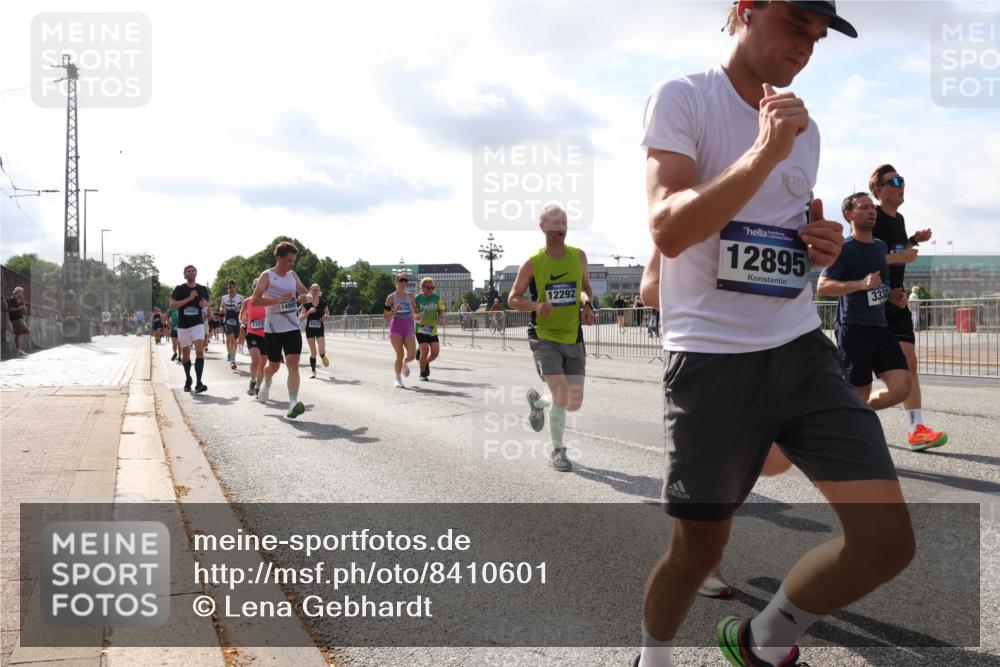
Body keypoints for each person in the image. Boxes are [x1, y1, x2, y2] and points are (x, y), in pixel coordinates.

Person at [639, 4, 914, 667]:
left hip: (799, 350)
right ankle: (652, 656)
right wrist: (764, 150)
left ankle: (762, 641)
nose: (807, 46)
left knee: (887, 541)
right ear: (744, 9)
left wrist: (816, 245)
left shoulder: (804, 128)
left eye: (818, 36)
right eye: (796, 23)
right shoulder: (684, 98)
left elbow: (780, 233)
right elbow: (669, 228)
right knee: (696, 552)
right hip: (710, 360)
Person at [509, 204, 596, 473]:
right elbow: (513, 299)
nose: (562, 228)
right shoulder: (533, 264)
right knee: (561, 394)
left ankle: (537, 402)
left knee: (573, 401)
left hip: (573, 336)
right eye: (556, 223)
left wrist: (587, 305)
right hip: (544, 337)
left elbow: (586, 289)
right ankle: (557, 451)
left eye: (565, 223)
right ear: (543, 228)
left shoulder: (578, 256)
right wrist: (536, 306)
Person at [870, 164, 947, 450]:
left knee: (909, 363)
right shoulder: (872, 216)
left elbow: (894, 247)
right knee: (861, 378)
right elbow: (863, 255)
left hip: (897, 303)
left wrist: (914, 239)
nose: (902, 185)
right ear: (878, 189)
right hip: (871, 306)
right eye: (895, 181)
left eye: (903, 181)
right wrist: (901, 255)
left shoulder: (898, 218)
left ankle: (916, 429)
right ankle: (846, 416)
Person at [817, 193, 912, 413]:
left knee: (901, 387)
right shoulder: (844, 248)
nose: (872, 211)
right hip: (854, 328)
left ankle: (855, 416)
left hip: (881, 327)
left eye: (873, 207)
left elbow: (881, 284)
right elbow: (823, 286)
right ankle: (854, 421)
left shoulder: (880, 247)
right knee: (861, 390)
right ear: (848, 215)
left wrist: (892, 296)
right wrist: (860, 284)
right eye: (864, 207)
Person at [252, 241, 311, 418]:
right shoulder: (267, 276)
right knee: (274, 366)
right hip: (273, 329)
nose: (291, 264)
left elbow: (306, 295)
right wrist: (277, 300)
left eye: (293, 261)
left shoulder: (292, 275)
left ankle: (292, 403)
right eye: (288, 260)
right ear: (279, 257)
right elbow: (255, 300)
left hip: (292, 327)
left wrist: (304, 297)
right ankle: (267, 384)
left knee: (293, 364)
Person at [169, 265, 211, 393]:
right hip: (183, 326)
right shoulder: (179, 289)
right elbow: (172, 305)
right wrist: (189, 298)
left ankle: (199, 383)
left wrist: (205, 305)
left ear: (196, 273)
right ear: (185, 275)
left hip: (197, 324)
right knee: (185, 355)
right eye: (188, 271)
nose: (191, 272)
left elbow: (209, 303)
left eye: (193, 271)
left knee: (200, 351)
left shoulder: (202, 288)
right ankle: (188, 379)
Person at [384, 274, 421, 388]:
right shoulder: (391, 297)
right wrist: (394, 310)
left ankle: (405, 363)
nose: (404, 282)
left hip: (408, 326)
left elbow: (415, 311)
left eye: (406, 280)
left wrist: (417, 316)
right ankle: (397, 378)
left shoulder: (411, 296)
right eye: (401, 280)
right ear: (396, 282)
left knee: (412, 355)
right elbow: (385, 315)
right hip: (396, 327)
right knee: (399, 354)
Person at [240, 278, 268, 397]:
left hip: (267, 335)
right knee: (255, 360)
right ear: (253, 288)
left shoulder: (268, 301)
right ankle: (252, 380)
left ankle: (257, 388)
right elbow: (242, 316)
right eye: (257, 286)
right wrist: (242, 323)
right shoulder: (247, 301)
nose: (259, 288)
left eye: (262, 286)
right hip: (252, 333)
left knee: (262, 365)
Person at [415, 277, 446, 380]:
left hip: (432, 329)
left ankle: (424, 362)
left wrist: (441, 318)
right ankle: (422, 374)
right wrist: (417, 315)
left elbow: (441, 310)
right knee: (425, 350)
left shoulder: (437, 298)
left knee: (435, 353)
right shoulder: (417, 299)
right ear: (422, 287)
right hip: (421, 328)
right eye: (429, 288)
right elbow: (413, 313)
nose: (431, 290)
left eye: (433, 287)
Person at [299, 283, 330, 379]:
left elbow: (327, 312)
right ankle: (313, 371)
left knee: (321, 348)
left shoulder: (323, 303)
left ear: (319, 291)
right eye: (314, 290)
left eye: (317, 290)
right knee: (313, 352)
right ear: (310, 291)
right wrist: (308, 312)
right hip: (310, 329)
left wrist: (326, 317)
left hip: (319, 328)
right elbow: (300, 318)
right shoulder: (306, 304)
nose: (315, 292)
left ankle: (323, 356)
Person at [221, 280, 244, 370]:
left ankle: (231, 353)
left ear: (235, 287)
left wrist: (240, 309)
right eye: (229, 287)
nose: (230, 288)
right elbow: (221, 306)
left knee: (234, 341)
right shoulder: (224, 297)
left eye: (232, 287)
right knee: (230, 338)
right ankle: (233, 361)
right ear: (227, 288)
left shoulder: (240, 297)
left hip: (236, 321)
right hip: (227, 320)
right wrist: (221, 309)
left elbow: (244, 308)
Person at [7, 287, 30, 356]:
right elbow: (10, 309)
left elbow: (24, 306)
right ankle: (18, 350)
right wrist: (18, 308)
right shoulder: (12, 299)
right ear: (18, 292)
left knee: (18, 334)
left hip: (18, 318)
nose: (22, 293)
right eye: (21, 292)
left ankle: (18, 351)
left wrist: (22, 298)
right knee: (27, 331)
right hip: (16, 319)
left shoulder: (16, 299)